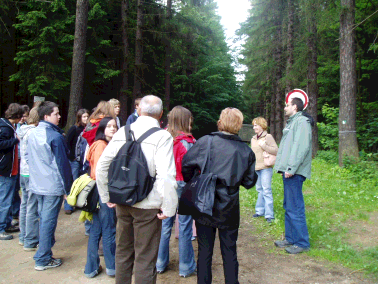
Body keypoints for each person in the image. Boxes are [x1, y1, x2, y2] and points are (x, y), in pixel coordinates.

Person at [96, 95, 178, 284]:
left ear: (139, 110)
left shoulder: (123, 131)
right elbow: (165, 176)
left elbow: (102, 166)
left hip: (122, 200)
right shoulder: (162, 136)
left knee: (123, 252)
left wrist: (106, 195)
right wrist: (169, 207)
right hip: (148, 206)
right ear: (161, 114)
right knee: (145, 257)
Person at [182, 107, 258, 284]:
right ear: (239, 125)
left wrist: (196, 180)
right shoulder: (245, 151)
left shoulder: (205, 141)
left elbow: (186, 165)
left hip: (204, 202)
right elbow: (249, 182)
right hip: (229, 206)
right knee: (229, 251)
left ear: (220, 121)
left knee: (205, 251)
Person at [26, 101, 72, 270]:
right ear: (46, 116)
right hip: (51, 186)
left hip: (37, 184)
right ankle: (43, 258)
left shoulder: (32, 134)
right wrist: (69, 189)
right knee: (48, 221)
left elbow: (28, 158)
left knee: (43, 218)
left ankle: (42, 250)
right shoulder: (55, 137)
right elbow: (62, 165)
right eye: (56, 114)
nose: (59, 116)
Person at [156, 106, 197, 277]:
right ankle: (186, 267)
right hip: (183, 185)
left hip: (166, 185)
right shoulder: (186, 141)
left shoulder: (163, 138)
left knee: (165, 225)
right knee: (185, 226)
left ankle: (160, 263)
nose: (191, 123)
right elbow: (189, 168)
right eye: (189, 119)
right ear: (183, 120)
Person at [273, 97, 313, 254]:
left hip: (294, 172)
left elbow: (301, 147)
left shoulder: (302, 122)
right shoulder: (293, 122)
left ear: (295, 107)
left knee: (295, 207)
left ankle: (302, 242)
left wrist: (291, 167)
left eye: (287, 105)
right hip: (289, 171)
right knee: (288, 206)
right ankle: (290, 239)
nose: (284, 108)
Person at [84, 117, 117, 278]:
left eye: (115, 126)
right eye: (109, 126)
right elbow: (98, 173)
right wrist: (107, 196)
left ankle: (91, 268)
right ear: (102, 129)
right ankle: (112, 267)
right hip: (103, 193)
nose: (112, 129)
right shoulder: (101, 146)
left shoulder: (105, 145)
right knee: (109, 228)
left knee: (96, 229)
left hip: (99, 193)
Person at [0, 103, 24, 240]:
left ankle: (7, 223)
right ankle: (1, 227)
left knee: (8, 198)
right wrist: (15, 140)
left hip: (11, 169)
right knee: (4, 200)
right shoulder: (5, 128)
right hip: (6, 170)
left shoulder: (9, 126)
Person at [18, 107, 40, 250]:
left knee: (25, 205)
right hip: (31, 173)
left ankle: (23, 236)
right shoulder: (34, 133)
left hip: (23, 172)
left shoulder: (24, 131)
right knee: (32, 207)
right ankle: (30, 240)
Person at [250, 117, 278, 223]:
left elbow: (276, 150)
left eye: (256, 125)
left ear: (262, 125)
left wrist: (264, 146)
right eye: (253, 125)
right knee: (259, 190)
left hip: (266, 167)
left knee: (266, 190)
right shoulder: (253, 139)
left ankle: (269, 215)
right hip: (256, 168)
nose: (254, 127)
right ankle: (260, 211)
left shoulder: (268, 137)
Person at [64, 109, 90, 214]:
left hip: (83, 161)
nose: (86, 119)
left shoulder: (88, 129)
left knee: (82, 182)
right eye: (84, 117)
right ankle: (68, 205)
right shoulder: (74, 129)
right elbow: (66, 143)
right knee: (73, 182)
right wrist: (71, 156)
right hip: (74, 160)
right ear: (79, 118)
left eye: (87, 116)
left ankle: (79, 201)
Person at [11, 105, 30, 225]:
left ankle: (18, 212)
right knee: (14, 187)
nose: (23, 118)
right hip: (15, 159)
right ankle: (14, 212)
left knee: (20, 187)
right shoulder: (14, 126)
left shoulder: (28, 127)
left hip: (23, 160)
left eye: (25, 116)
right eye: (21, 116)